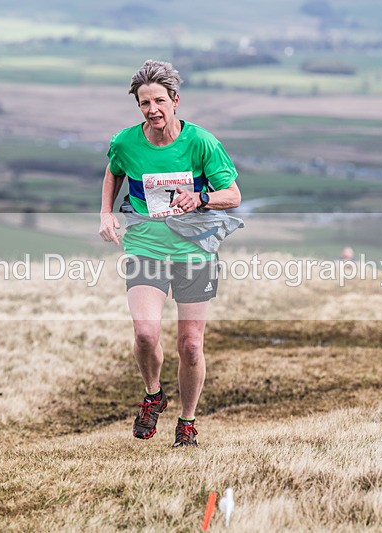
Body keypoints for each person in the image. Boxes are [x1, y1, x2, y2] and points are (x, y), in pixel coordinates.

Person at [98, 60, 242, 447]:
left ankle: (187, 422)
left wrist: (201, 197)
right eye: (145, 103)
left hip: (195, 248)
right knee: (145, 334)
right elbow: (114, 171)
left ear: (175, 100)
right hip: (146, 244)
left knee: (190, 345)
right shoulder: (127, 141)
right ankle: (153, 395)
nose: (153, 110)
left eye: (159, 101)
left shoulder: (201, 143)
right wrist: (106, 213)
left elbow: (233, 195)